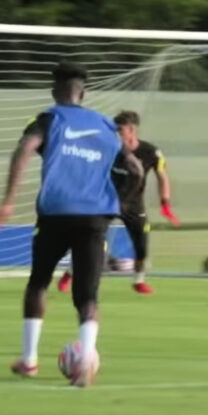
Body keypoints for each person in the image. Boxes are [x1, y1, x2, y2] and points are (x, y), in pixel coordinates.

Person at [0, 62, 142, 385]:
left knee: (39, 283)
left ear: (53, 91)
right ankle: (85, 363)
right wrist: (122, 202)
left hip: (55, 212)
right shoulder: (105, 126)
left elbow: (24, 149)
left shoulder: (48, 118)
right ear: (83, 92)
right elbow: (135, 168)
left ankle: (30, 360)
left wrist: (8, 199)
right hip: (95, 216)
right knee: (87, 296)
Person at [56, 110, 179, 295]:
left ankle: (138, 281)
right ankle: (70, 273)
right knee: (92, 242)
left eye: (119, 129)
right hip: (107, 202)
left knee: (142, 247)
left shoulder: (151, 152)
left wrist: (165, 204)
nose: (116, 133)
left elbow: (162, 177)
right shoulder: (109, 149)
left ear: (131, 130)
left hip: (134, 206)